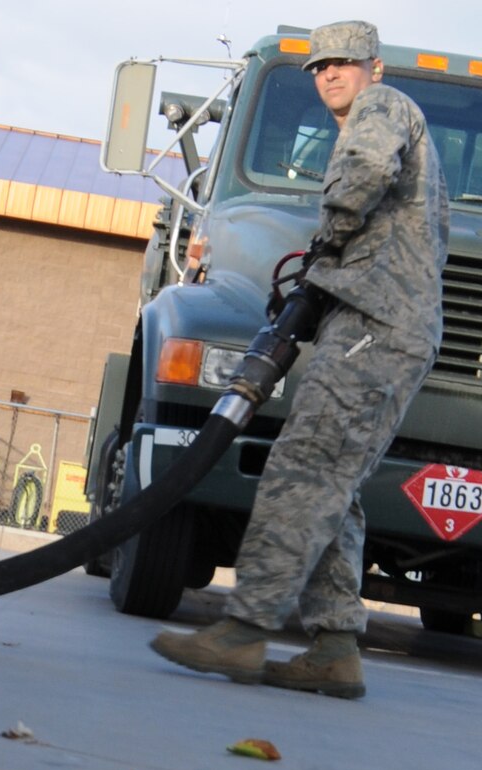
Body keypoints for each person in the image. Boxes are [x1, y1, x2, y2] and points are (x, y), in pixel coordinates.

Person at [151, 20, 449, 701]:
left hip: (377, 324)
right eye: (320, 67)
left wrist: (330, 237)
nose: (331, 75)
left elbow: (367, 172)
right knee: (331, 484)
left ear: (376, 67)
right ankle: (335, 647)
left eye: (345, 63)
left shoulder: (383, 108)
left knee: (303, 467)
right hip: (373, 323)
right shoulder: (375, 118)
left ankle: (244, 630)